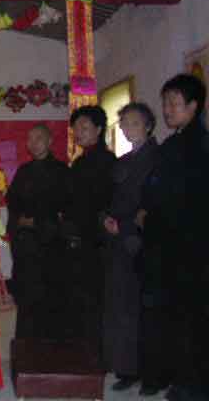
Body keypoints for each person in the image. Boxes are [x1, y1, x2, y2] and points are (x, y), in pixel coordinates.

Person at [136, 74, 208, 400]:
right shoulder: (173, 144)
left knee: (192, 319)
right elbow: (154, 189)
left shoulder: (199, 146)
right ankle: (180, 380)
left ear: (194, 106)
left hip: (189, 248)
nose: (167, 110)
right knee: (175, 318)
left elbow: (184, 200)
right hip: (167, 246)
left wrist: (150, 216)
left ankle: (193, 386)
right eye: (165, 103)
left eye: (174, 103)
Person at [101, 103, 158, 392]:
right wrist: (106, 218)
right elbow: (109, 198)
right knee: (121, 306)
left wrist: (124, 226)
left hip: (142, 243)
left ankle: (148, 370)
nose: (127, 128)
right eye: (124, 123)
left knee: (141, 309)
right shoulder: (123, 160)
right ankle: (126, 367)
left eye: (134, 123)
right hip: (118, 241)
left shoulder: (157, 158)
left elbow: (151, 205)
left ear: (148, 125)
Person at [5, 124, 71, 339]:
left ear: (50, 141)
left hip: (48, 243)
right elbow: (12, 201)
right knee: (24, 292)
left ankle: (47, 342)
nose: (33, 143)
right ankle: (25, 340)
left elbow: (63, 206)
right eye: (30, 139)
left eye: (39, 138)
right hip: (24, 243)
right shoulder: (24, 171)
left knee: (47, 293)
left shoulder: (61, 171)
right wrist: (20, 222)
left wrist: (38, 221)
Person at [63, 105, 115, 345]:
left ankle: (97, 350)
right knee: (79, 296)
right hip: (78, 239)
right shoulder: (79, 162)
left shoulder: (107, 161)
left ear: (99, 129)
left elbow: (101, 202)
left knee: (96, 298)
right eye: (76, 128)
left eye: (84, 127)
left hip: (97, 240)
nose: (78, 132)